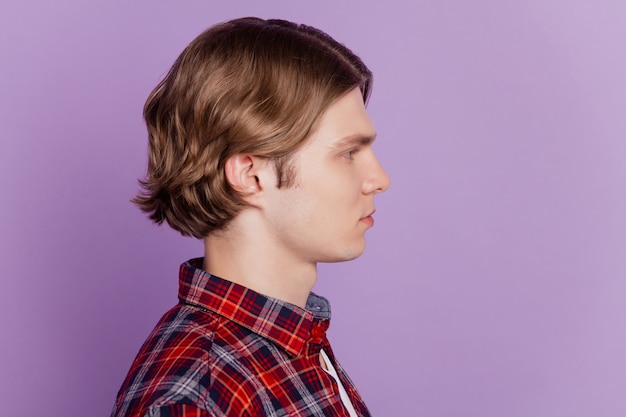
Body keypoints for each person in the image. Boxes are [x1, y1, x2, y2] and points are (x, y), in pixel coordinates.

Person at [111, 17, 390, 417]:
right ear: (250, 175)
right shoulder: (194, 401)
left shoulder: (292, 342)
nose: (379, 179)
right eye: (348, 153)